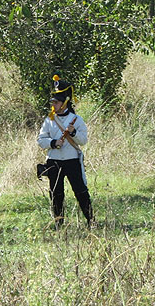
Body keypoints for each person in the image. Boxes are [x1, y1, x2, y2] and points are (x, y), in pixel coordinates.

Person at [37, 75, 93, 229]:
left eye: (56, 102)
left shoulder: (77, 119)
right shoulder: (49, 120)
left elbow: (83, 140)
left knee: (81, 192)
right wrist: (53, 143)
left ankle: (91, 221)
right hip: (53, 161)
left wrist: (73, 132)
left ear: (65, 102)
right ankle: (59, 223)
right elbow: (41, 140)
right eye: (53, 102)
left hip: (72, 160)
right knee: (56, 194)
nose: (53, 104)